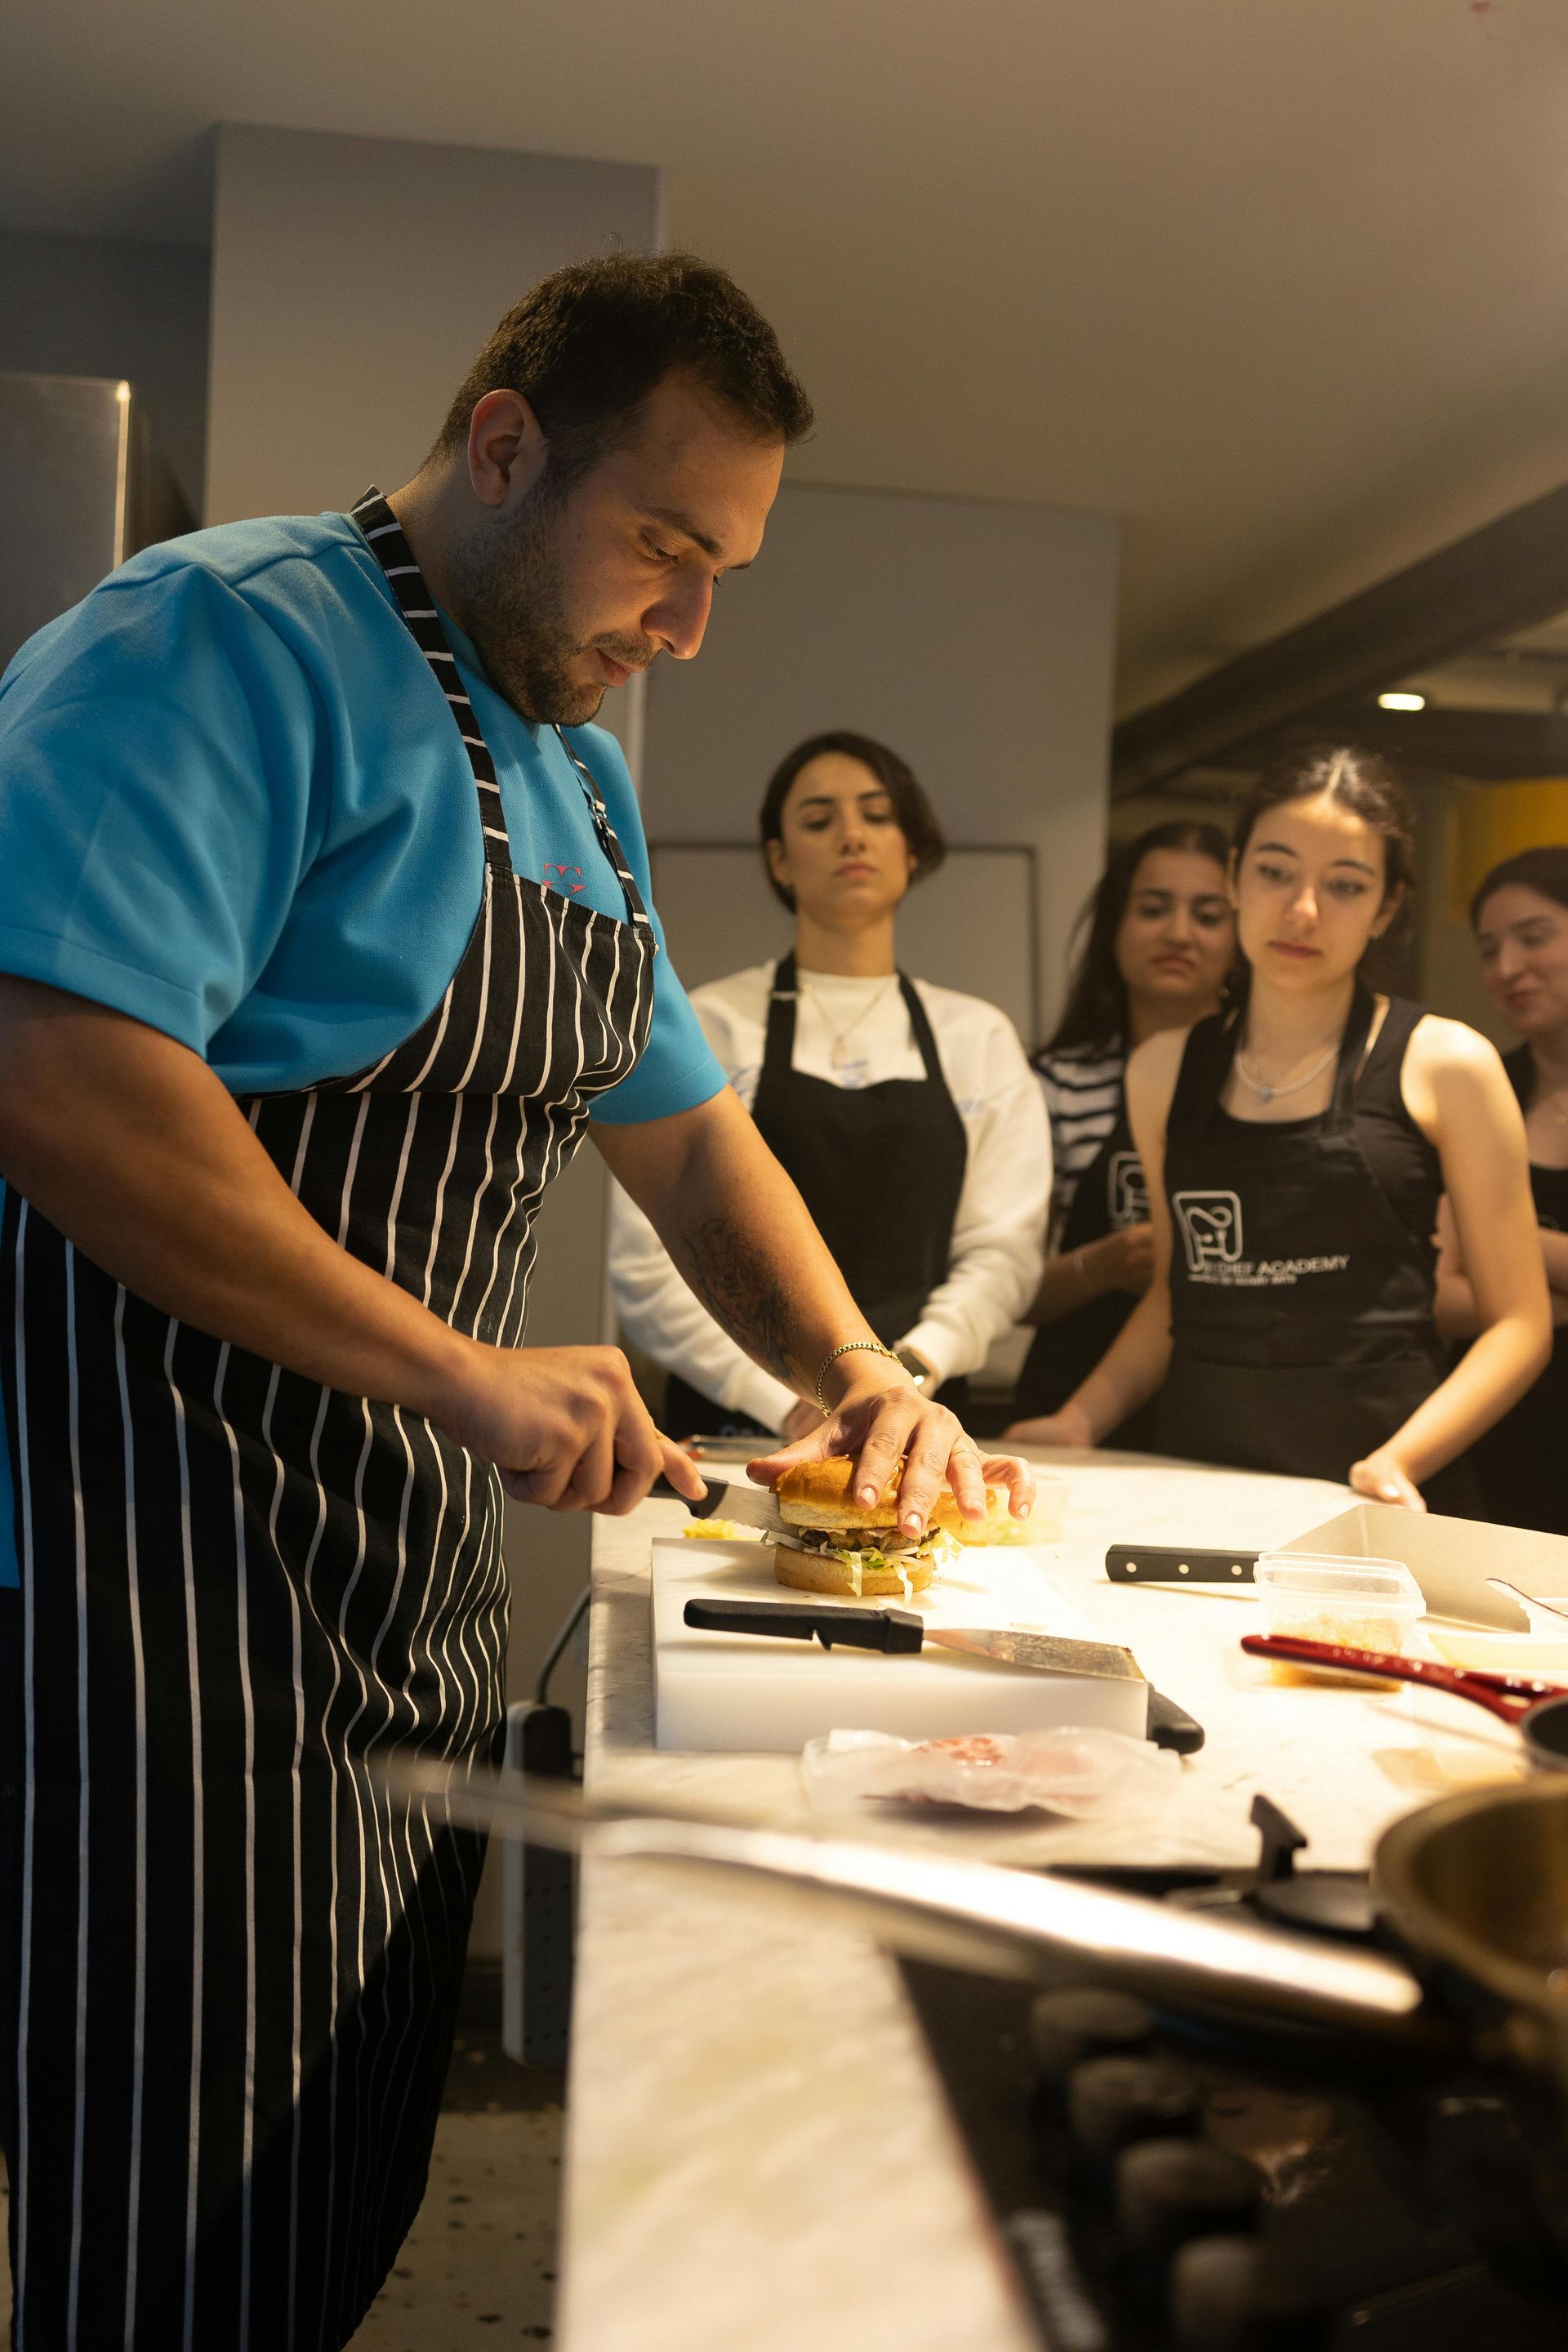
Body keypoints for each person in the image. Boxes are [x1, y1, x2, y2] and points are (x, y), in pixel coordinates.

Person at [0, 252, 1029, 2352]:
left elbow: (688, 1131)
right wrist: (456, 1371)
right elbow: (54, 1063)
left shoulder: (569, 777)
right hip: (144, 1588)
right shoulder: (223, 637)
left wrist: (858, 1372)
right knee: (167, 2237)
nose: (688, 620)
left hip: (386, 1570)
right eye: (664, 545)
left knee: (340, 2173)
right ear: (500, 450)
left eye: (723, 569)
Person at [1007, 748, 1550, 1508]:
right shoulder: (1163, 1071)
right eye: (1275, 871)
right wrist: (1079, 1419)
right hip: (1198, 1484)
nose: (1303, 910)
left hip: (1384, 1495)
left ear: (1387, 907)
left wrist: (1397, 1463)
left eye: (1345, 886)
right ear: (1235, 877)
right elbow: (1175, 1292)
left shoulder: (1447, 1063)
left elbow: (1520, 1324)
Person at [609, 731, 1051, 1440]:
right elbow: (650, 1261)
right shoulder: (713, 1023)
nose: (852, 835)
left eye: (877, 816)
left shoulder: (979, 1038)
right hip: (740, 1429)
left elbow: (1003, 1250)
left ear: (912, 847)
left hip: (921, 1426)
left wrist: (903, 1379)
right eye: (819, 820)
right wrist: (782, 1400)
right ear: (780, 862)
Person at [1013, 820, 1234, 1441]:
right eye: (1154, 909)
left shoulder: (1268, 1089)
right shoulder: (1053, 1084)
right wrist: (1099, 1266)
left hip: (1220, 1409)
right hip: (1068, 1404)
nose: (1179, 933)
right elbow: (1001, 1293)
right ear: (1114, 929)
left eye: (1209, 915)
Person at [1435, 847, 1568, 1534]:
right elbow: (1441, 1293)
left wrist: (1511, 1259)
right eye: (1490, 949)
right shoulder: (1486, 1087)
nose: (1508, 968)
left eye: (1534, 937)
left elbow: (1481, 1282)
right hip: (1502, 1439)